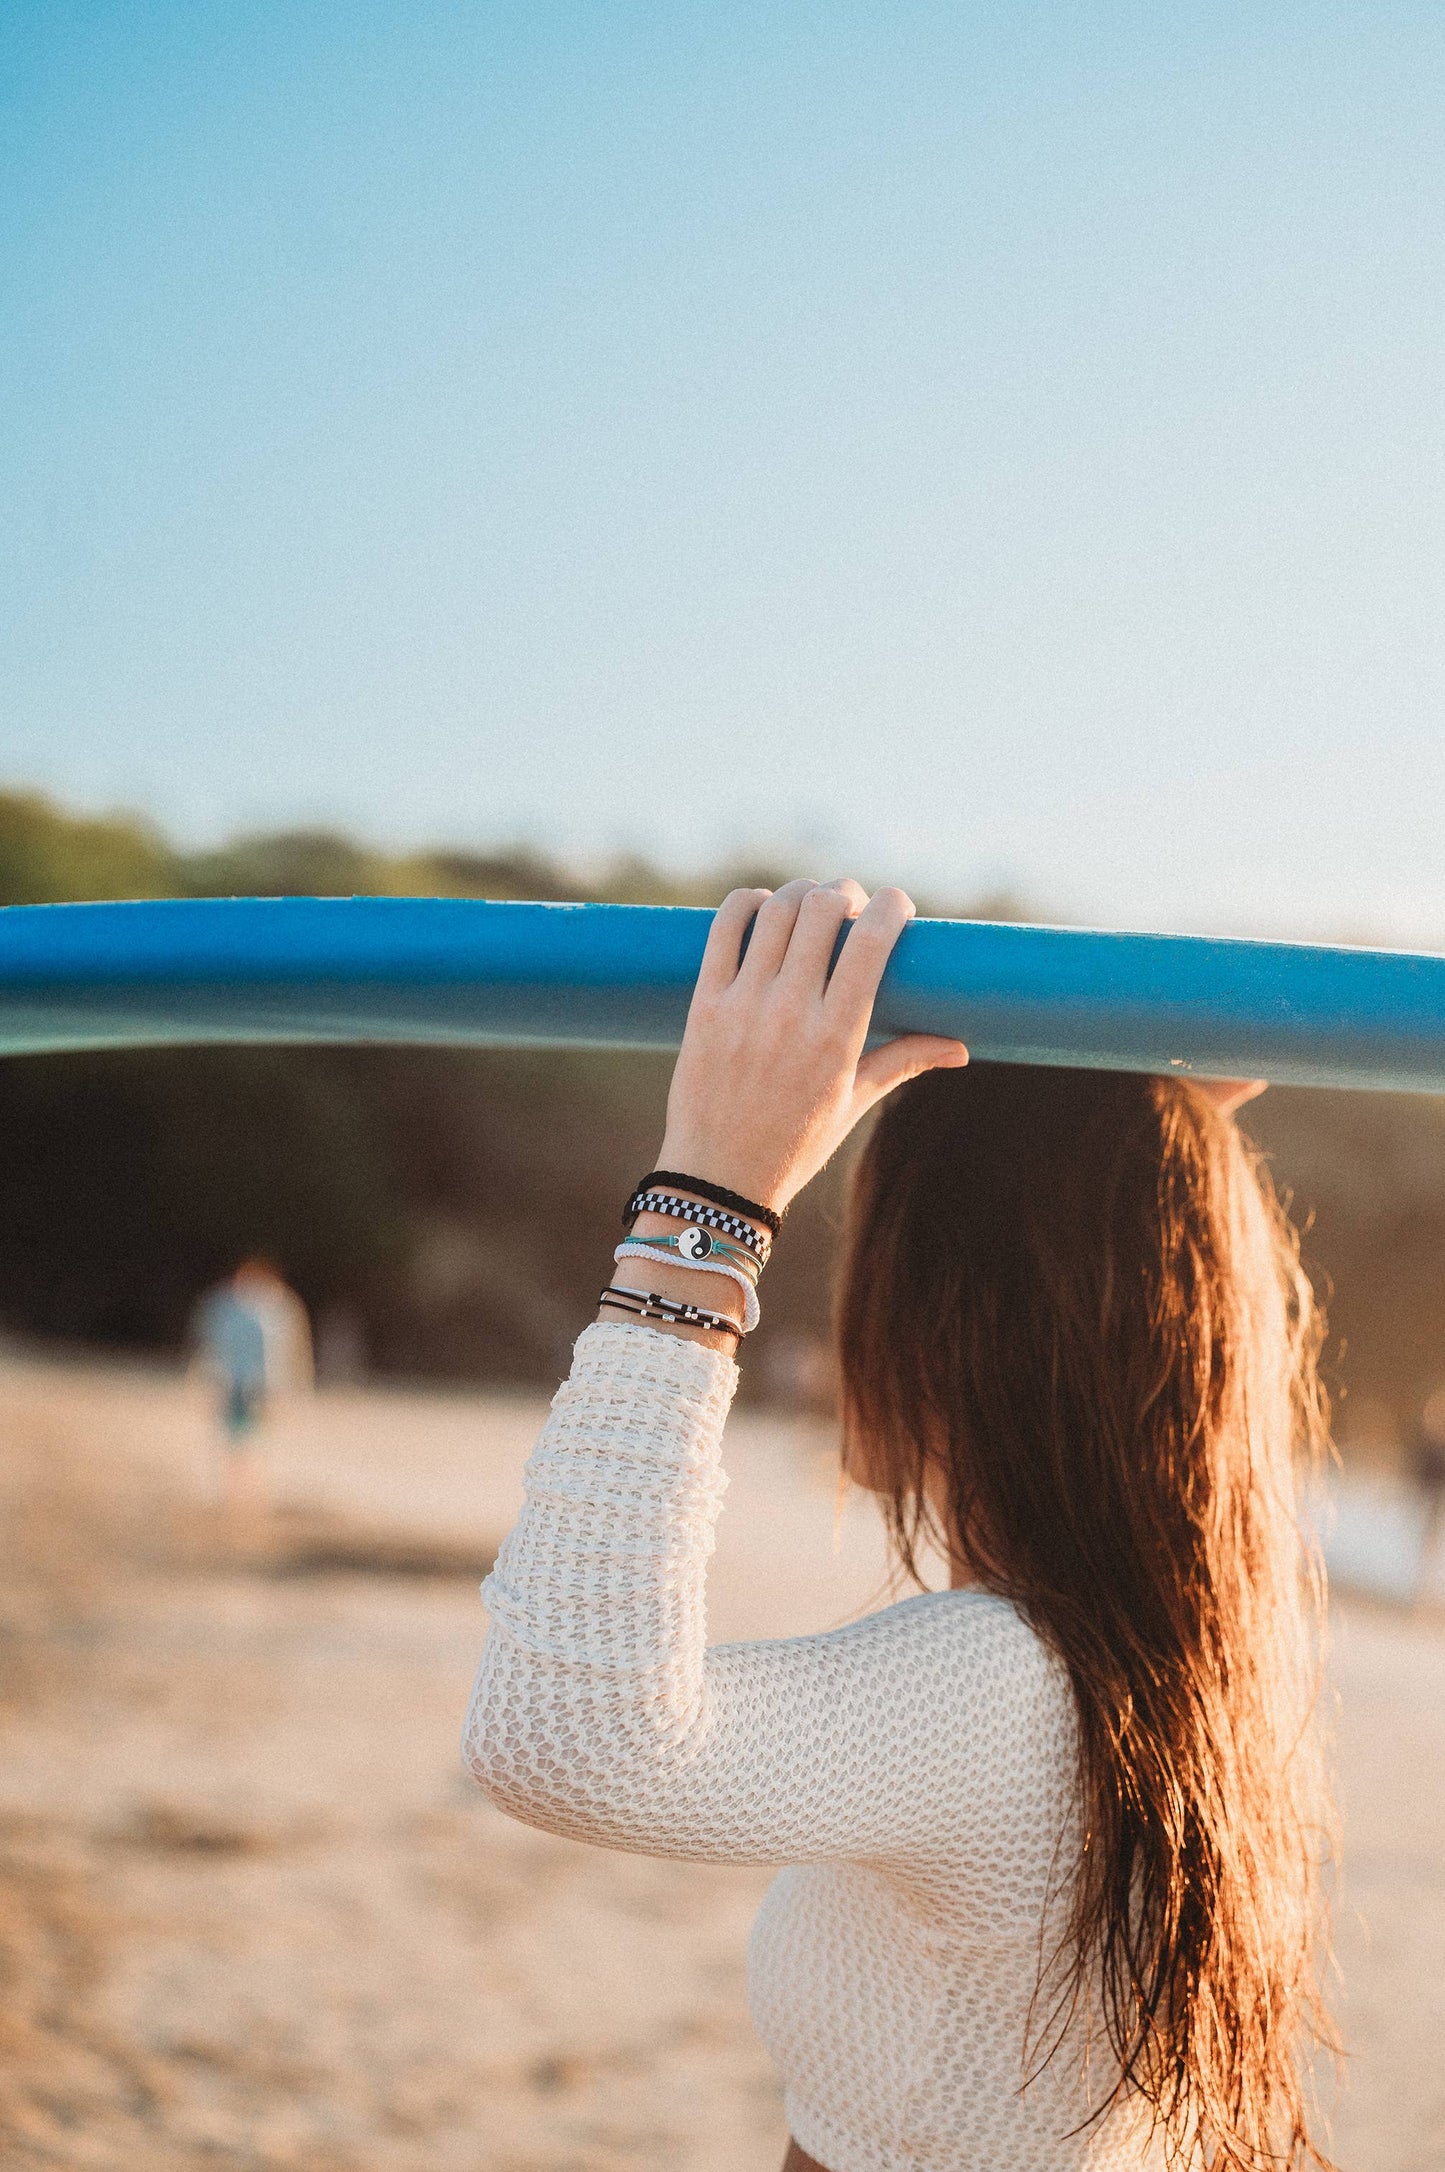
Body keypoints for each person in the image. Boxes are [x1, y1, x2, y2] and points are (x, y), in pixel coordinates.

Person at [465, 880, 1335, 2170]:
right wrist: (1119, 1137)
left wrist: (710, 1196)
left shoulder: (1005, 1685)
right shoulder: (1181, 1663)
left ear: (950, 1324)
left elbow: (562, 1733)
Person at [192, 1257, 313, 1506]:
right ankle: (238, 1489)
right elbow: (210, 1344)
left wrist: (297, 1381)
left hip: (261, 1383)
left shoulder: (277, 1307)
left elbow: (291, 1348)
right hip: (234, 1381)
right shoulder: (227, 1305)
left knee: (252, 1437)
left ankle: (248, 1489)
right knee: (237, 1436)